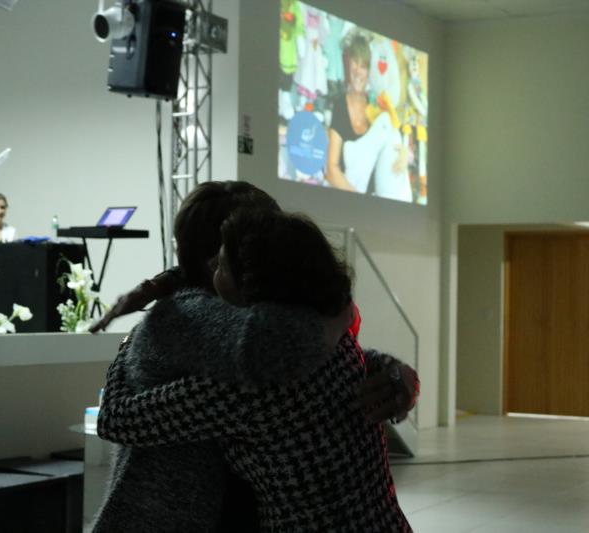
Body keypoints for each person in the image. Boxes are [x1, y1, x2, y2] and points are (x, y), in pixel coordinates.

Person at [89, 181, 419, 531]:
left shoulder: (268, 358)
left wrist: (128, 341)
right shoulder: (300, 340)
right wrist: (343, 314)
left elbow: (116, 419)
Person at [326, 34, 411, 200]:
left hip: (380, 199)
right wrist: (359, 200)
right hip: (351, 199)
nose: (358, 71)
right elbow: (331, 169)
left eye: (364, 65)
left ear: (370, 70)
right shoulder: (340, 105)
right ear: (347, 63)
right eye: (355, 63)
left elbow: (395, 140)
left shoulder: (378, 106)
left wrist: (404, 155)